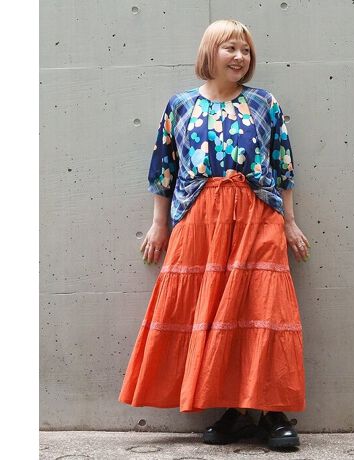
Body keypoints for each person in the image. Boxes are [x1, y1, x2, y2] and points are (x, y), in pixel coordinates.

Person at [118, 19, 311, 450]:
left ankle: (273, 412)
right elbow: (163, 168)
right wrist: (159, 224)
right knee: (209, 314)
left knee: (263, 310)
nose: (240, 57)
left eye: (245, 50)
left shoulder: (263, 103)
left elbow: (283, 164)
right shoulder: (181, 106)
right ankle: (235, 412)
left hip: (257, 216)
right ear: (210, 52)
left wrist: (289, 221)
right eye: (230, 48)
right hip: (199, 219)